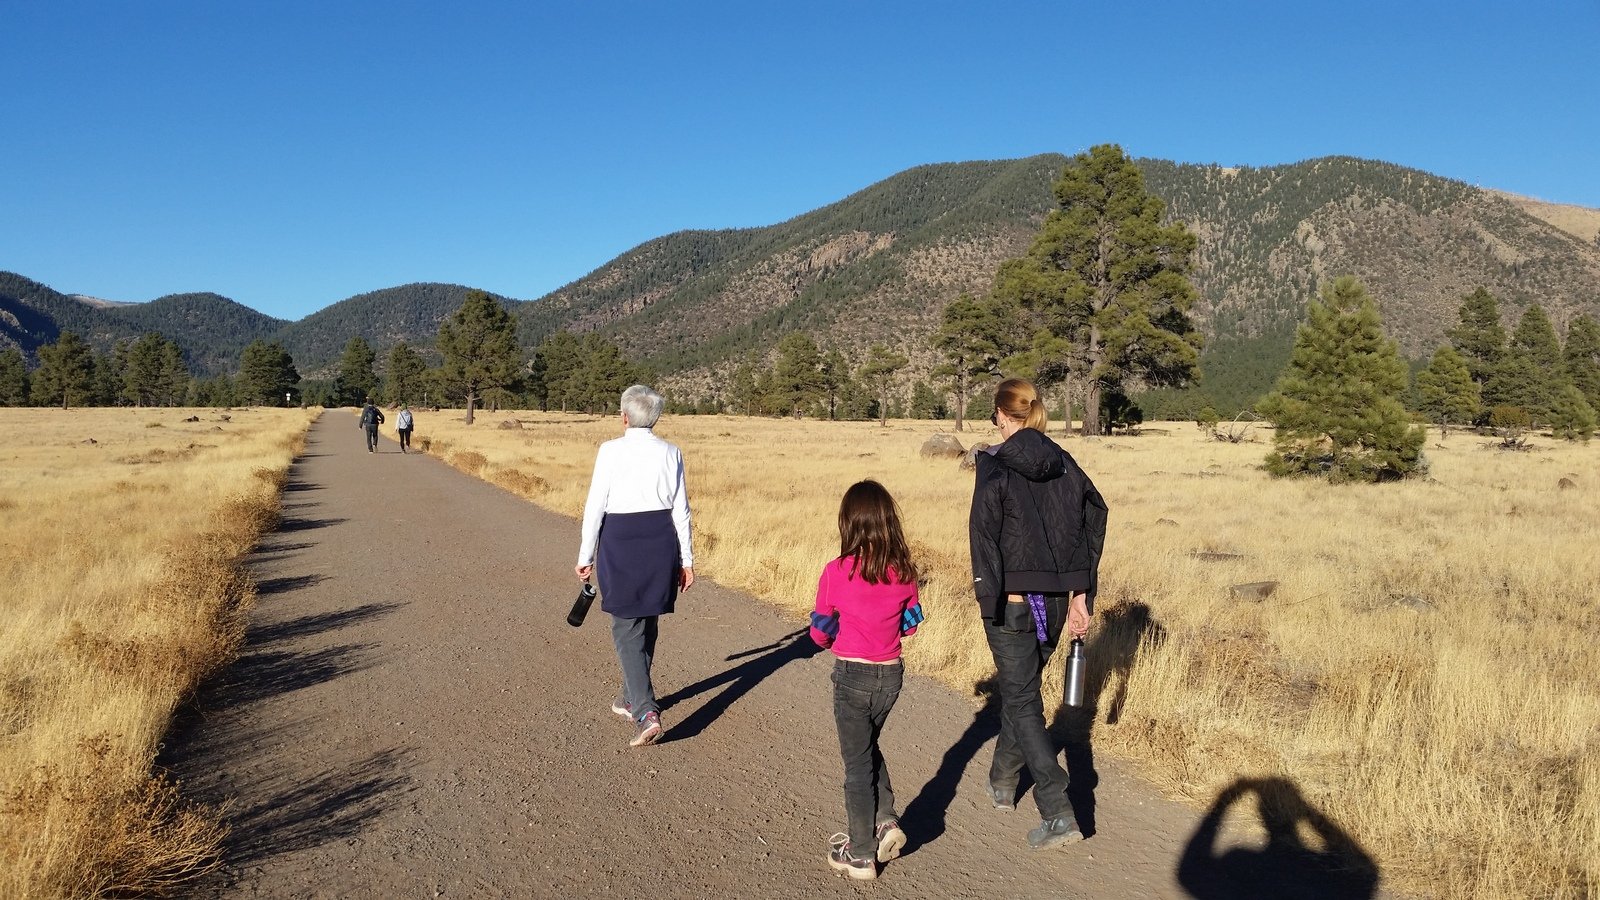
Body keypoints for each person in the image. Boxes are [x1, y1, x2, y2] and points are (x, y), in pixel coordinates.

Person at [969, 377, 1108, 851]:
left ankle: (1057, 808)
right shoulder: (1066, 463)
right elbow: (1095, 516)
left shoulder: (993, 463)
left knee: (1024, 700)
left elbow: (982, 534)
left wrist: (987, 596)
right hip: (1055, 603)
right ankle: (1003, 780)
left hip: (1012, 604)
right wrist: (1080, 593)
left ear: (1001, 415)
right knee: (1022, 695)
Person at [809, 479, 924, 881]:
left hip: (851, 675)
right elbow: (911, 625)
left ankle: (860, 854)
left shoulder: (835, 571)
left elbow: (819, 632)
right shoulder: (905, 572)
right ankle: (886, 820)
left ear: (849, 523)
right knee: (866, 746)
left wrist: (833, 640)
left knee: (857, 765)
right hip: (891, 676)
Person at [575, 384, 694, 748]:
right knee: (647, 622)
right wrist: (687, 560)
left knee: (626, 627)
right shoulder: (671, 452)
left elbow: (595, 505)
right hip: (661, 541)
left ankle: (645, 712)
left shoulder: (610, 450)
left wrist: (585, 555)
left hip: (621, 540)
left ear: (624, 417)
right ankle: (630, 697)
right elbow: (681, 510)